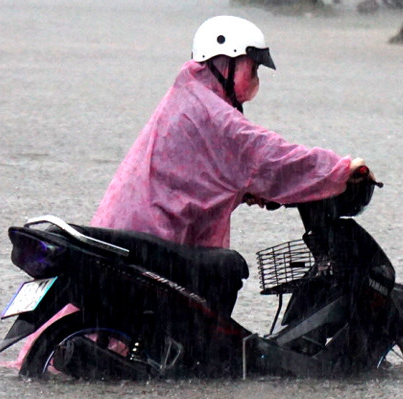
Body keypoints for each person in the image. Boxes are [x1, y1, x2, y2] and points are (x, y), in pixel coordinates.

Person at [91, 15, 374, 250]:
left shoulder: (192, 94)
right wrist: (341, 169)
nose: (255, 79)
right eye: (251, 68)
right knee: (227, 272)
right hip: (150, 236)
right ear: (225, 63)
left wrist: (244, 191)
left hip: (139, 230)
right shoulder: (209, 111)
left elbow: (200, 176)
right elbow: (266, 156)